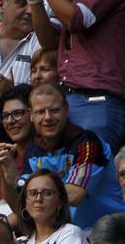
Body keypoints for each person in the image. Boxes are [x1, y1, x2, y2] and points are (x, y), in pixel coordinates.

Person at [16, 0, 125, 156]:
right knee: (68, 180)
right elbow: (49, 40)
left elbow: (79, 20)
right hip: (70, 98)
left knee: (89, 176)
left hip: (97, 99)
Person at [18, 83, 120, 230]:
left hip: (108, 231)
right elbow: (20, 200)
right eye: (41, 112)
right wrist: (9, 173)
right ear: (31, 116)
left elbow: (76, 194)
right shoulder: (33, 151)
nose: (48, 117)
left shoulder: (88, 143)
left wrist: (34, 192)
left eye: (54, 110)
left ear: (66, 109)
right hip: (66, 234)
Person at [11, 170, 87, 244]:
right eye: (32, 193)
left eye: (47, 193)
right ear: (25, 203)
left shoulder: (69, 233)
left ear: (60, 202)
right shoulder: (20, 242)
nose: (38, 198)